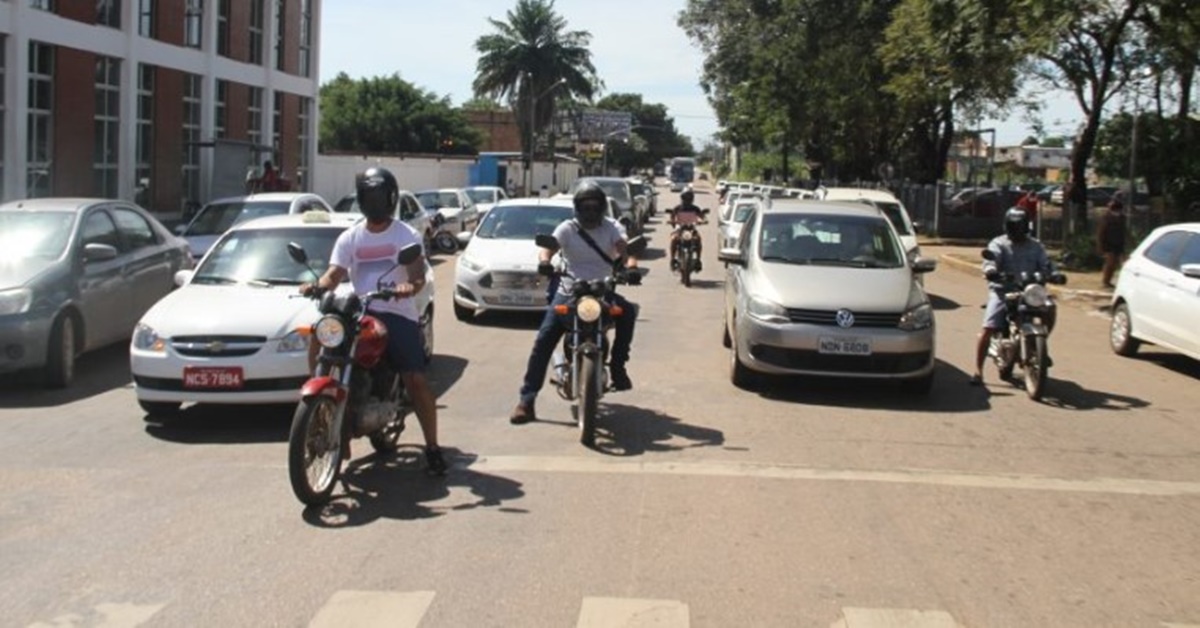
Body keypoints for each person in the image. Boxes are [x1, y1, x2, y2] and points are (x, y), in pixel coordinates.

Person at [300, 167, 446, 475]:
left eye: (379, 195)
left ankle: (432, 447)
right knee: (320, 336)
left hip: (397, 311)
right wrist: (317, 286)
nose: (374, 201)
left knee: (415, 379)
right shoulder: (350, 237)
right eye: (369, 195)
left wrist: (409, 287)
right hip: (360, 311)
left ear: (390, 197)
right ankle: (328, 411)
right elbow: (334, 273)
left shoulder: (405, 235)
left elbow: (417, 273)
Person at [509, 181, 642, 424]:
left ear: (602, 207)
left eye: (595, 205)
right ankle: (526, 401)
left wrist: (631, 268)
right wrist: (545, 262)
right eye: (585, 205)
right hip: (570, 290)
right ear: (577, 207)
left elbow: (625, 249)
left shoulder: (612, 227)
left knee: (628, 314)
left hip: (602, 290)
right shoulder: (568, 228)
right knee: (543, 340)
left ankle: (618, 368)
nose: (590, 210)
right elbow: (549, 248)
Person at [971, 207, 1059, 386]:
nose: (1017, 230)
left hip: (1030, 291)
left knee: (1050, 307)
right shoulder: (999, 243)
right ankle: (977, 371)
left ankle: (1037, 347)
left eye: (1020, 226)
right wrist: (991, 271)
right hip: (1003, 291)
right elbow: (990, 259)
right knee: (988, 328)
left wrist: (1054, 273)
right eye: (1013, 226)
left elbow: (1046, 263)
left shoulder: (1036, 246)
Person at [668, 188, 706, 271]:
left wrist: (702, 221)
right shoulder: (678, 208)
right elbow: (672, 217)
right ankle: (672, 259)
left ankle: (698, 260)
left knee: (698, 239)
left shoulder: (695, 208)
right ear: (682, 198)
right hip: (680, 229)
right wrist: (672, 222)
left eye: (689, 198)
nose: (687, 200)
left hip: (691, 229)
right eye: (685, 198)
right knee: (673, 239)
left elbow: (701, 217)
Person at [1097, 196, 1127, 288]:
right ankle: (1105, 281)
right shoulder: (1106, 218)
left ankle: (1110, 281)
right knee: (1110, 263)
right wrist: (1100, 246)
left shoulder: (1122, 217)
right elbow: (1101, 232)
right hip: (1108, 243)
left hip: (1119, 242)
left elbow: (1125, 230)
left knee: (1117, 264)